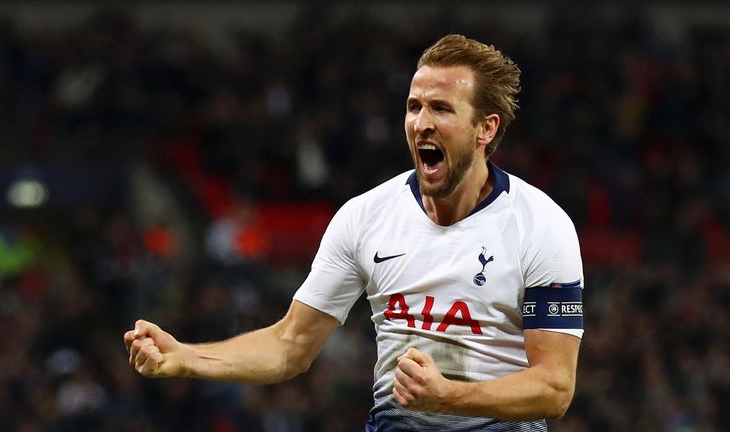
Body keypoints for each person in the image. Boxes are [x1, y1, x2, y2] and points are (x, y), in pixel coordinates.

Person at [125, 34, 584, 431]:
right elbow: (290, 346)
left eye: (441, 108)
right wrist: (185, 358)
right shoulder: (364, 217)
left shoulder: (541, 226)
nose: (421, 122)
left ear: (486, 128)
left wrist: (449, 397)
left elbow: (555, 388)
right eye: (414, 106)